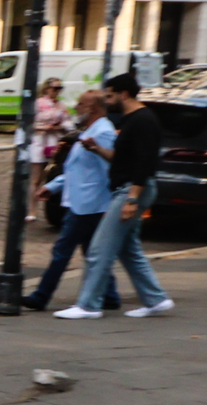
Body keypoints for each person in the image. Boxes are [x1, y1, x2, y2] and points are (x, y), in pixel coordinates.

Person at [58, 72, 172, 319]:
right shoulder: (131, 119)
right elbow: (122, 159)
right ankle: (156, 299)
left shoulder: (143, 121)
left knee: (100, 248)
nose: (106, 101)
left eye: (110, 96)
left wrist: (132, 198)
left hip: (131, 190)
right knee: (128, 249)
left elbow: (144, 163)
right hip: (128, 188)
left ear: (124, 94)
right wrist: (97, 149)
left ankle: (89, 305)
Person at [22, 88, 114, 312]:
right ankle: (110, 295)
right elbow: (77, 169)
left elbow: (110, 169)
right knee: (92, 252)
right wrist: (52, 187)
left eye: (80, 104)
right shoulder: (89, 130)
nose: (76, 108)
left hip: (89, 204)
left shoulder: (102, 133)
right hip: (85, 202)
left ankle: (41, 296)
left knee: (62, 251)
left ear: (92, 108)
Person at [25, 79, 69, 222]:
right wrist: (44, 128)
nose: (57, 91)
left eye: (59, 88)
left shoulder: (61, 105)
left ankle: (53, 209)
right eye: (54, 88)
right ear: (46, 89)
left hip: (55, 142)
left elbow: (68, 122)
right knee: (36, 178)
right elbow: (29, 123)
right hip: (40, 142)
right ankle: (32, 210)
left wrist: (59, 127)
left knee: (53, 176)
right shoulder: (38, 103)